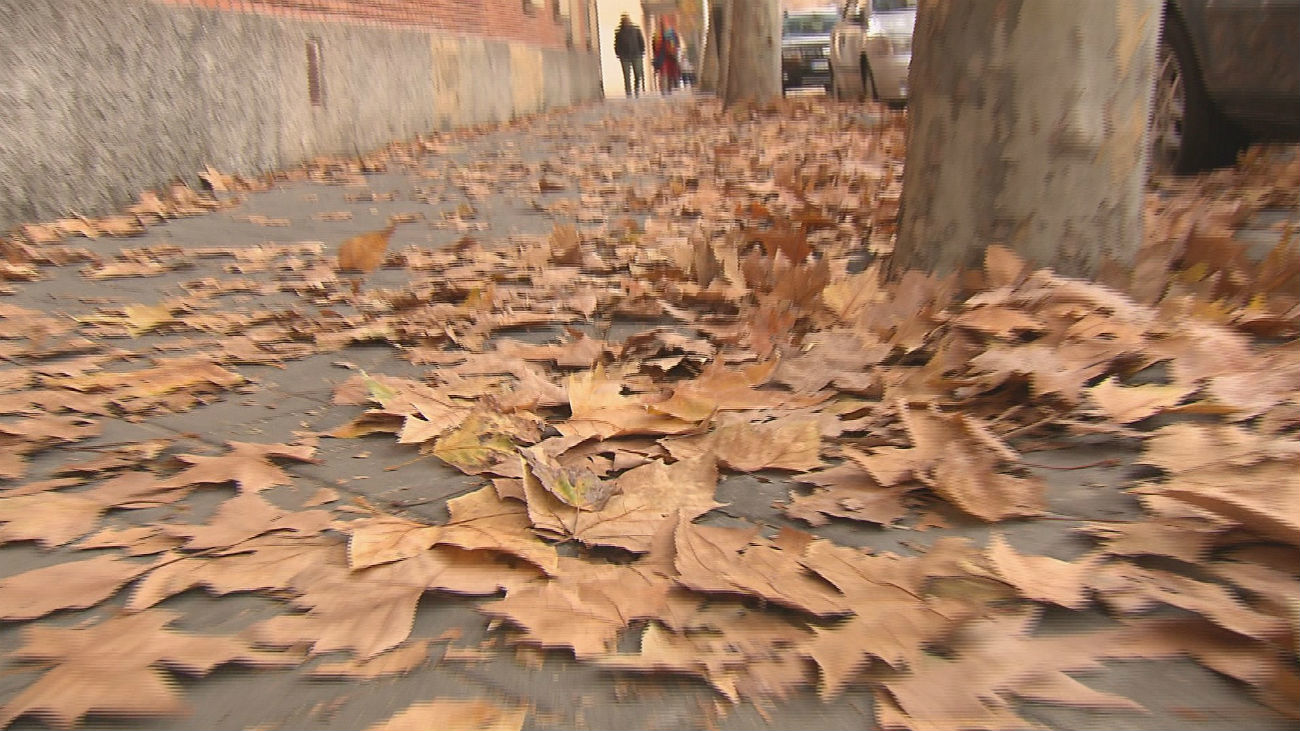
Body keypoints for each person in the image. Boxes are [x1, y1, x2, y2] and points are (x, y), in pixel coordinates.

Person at [613, 14, 646, 97]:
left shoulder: (636, 30)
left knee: (638, 73)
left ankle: (636, 88)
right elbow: (616, 44)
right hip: (624, 56)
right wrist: (618, 53)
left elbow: (641, 41)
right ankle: (628, 92)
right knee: (627, 75)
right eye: (624, 20)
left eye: (627, 20)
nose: (626, 22)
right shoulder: (619, 32)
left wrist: (641, 52)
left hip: (636, 54)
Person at [652, 20, 681, 94]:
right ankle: (667, 90)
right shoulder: (671, 33)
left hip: (665, 57)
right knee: (667, 74)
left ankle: (666, 90)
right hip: (667, 57)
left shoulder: (657, 34)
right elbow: (677, 44)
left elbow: (654, 48)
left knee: (665, 74)